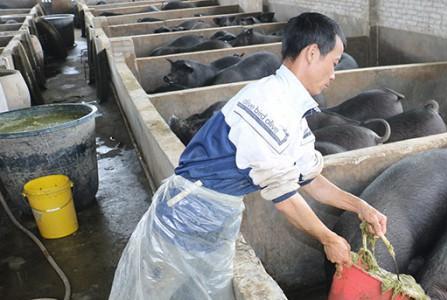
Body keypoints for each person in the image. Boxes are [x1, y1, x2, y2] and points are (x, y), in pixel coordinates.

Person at [109, 12, 387, 300]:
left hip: (212, 215)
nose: (333, 74)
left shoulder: (292, 110)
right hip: (187, 216)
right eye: (334, 63)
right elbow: (285, 197)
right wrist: (328, 238)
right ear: (312, 53)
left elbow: (310, 178)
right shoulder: (268, 105)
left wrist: (361, 207)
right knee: (166, 293)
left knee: (202, 291)